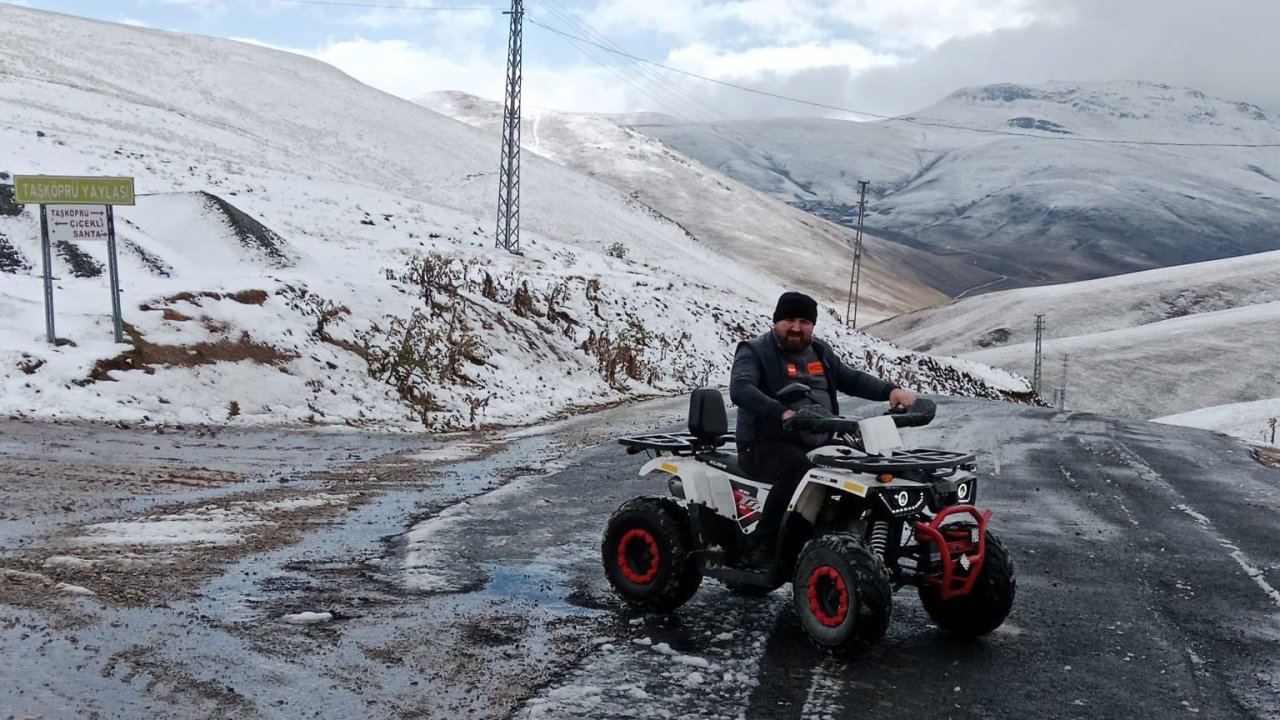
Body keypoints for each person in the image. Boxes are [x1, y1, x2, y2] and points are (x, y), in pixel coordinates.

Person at [729, 291, 917, 565]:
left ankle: (853, 537)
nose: (796, 327)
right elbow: (740, 388)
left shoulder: (820, 351)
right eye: (789, 320)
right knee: (797, 470)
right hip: (763, 443)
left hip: (818, 441)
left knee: (869, 467)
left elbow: (851, 378)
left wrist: (891, 391)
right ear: (775, 322)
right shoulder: (755, 350)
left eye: (804, 321)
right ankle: (762, 546)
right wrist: (780, 412)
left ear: (813, 325)